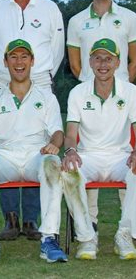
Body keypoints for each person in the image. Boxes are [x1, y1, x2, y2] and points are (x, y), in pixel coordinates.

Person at [0, 0, 64, 240]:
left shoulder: (50, 8)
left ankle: (31, 220)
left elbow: (57, 49)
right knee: (2, 145)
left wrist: (39, 76)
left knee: (38, 145)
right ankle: (10, 219)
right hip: (1, 82)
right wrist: (0, 77)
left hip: (38, 81)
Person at [0, 39, 67, 263]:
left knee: (53, 163)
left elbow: (57, 132)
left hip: (37, 153)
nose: (19, 62)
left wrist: (54, 143)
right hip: (6, 154)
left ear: (32, 61)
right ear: (5, 62)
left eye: (24, 57)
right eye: (13, 57)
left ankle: (49, 238)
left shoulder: (47, 96)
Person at [67, 0, 136, 229]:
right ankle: (89, 222)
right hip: (88, 96)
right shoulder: (76, 21)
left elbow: (133, 59)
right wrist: (91, 84)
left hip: (121, 97)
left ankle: (128, 224)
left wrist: (120, 84)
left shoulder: (129, 17)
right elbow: (76, 65)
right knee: (86, 154)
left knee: (127, 155)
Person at [62, 38, 136, 260]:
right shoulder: (78, 92)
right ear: (90, 62)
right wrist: (70, 152)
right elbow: (71, 134)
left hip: (119, 157)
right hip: (88, 156)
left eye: (108, 59)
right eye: (98, 58)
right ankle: (86, 237)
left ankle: (124, 234)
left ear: (118, 63)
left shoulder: (131, 91)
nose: (103, 64)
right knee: (69, 172)